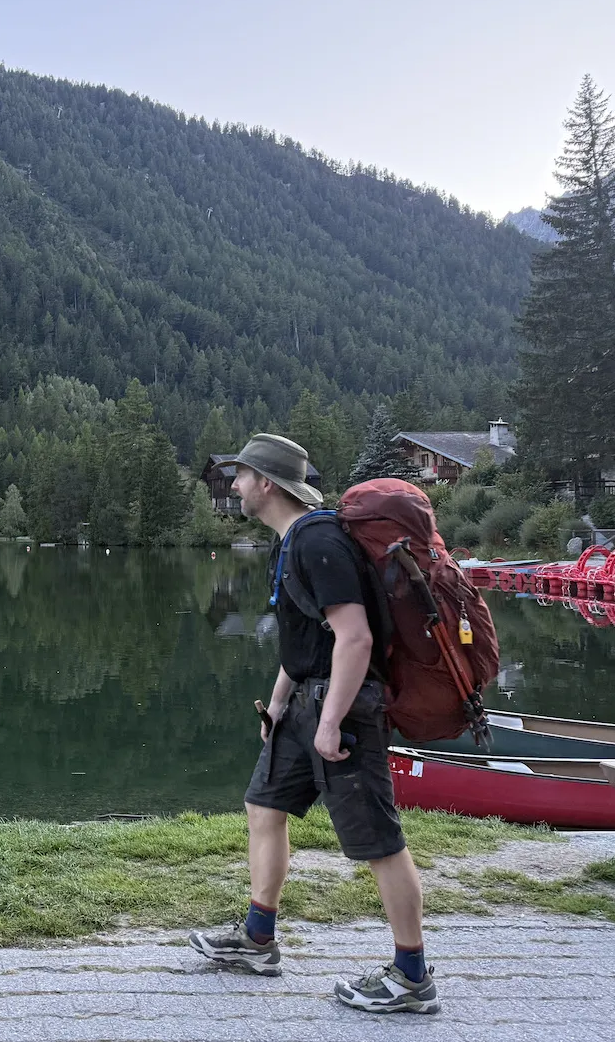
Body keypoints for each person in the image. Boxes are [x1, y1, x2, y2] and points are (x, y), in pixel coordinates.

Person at [187, 433, 439, 1015]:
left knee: (378, 841)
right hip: (305, 701)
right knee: (264, 807)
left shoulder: (319, 542)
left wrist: (328, 724)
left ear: (267, 485)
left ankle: (411, 977)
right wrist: (278, 706)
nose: (234, 484)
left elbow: (355, 639)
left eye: (242, 476)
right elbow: (305, 640)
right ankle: (257, 940)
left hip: (343, 708)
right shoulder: (292, 540)